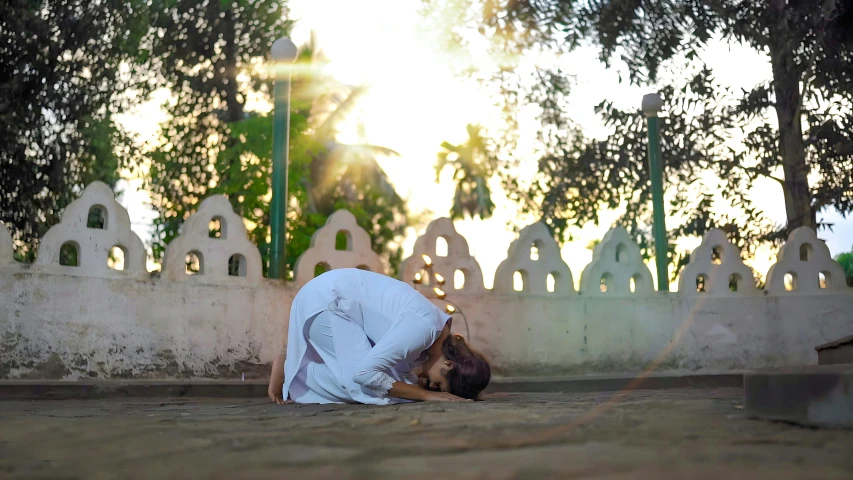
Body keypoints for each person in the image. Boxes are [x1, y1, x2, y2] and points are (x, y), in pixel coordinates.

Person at [267, 268, 491, 404]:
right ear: (449, 364)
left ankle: (293, 367)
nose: (432, 386)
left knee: (397, 388)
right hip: (327, 302)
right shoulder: (423, 329)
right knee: (365, 388)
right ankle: (292, 373)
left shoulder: (435, 335)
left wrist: (415, 388)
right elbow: (365, 374)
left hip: (337, 304)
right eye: (439, 385)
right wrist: (425, 396)